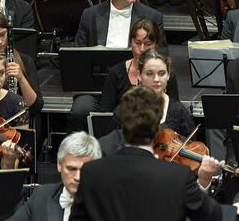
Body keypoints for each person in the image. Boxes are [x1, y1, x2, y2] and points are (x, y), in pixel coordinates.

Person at [72, 86, 221, 221]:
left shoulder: (91, 172)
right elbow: (212, 215)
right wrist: (202, 184)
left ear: (123, 124)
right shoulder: (178, 176)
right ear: (157, 126)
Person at [5, 131, 99, 221]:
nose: (78, 177)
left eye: (84, 170)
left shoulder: (108, 203)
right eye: (71, 169)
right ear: (59, 164)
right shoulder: (41, 196)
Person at [94, 19, 179, 113]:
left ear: (157, 45)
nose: (142, 49)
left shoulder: (166, 73)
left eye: (148, 44)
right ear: (131, 42)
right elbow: (105, 111)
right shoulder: (116, 72)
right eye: (138, 43)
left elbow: (174, 109)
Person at [0, 9, 42, 116]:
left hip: (18, 123)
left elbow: (36, 107)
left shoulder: (25, 60)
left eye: (2, 34)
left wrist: (21, 78)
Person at [135, 49, 194, 136]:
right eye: (149, 74)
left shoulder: (180, 112)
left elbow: (191, 147)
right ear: (139, 75)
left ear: (168, 75)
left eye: (161, 73)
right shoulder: (127, 109)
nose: (156, 79)